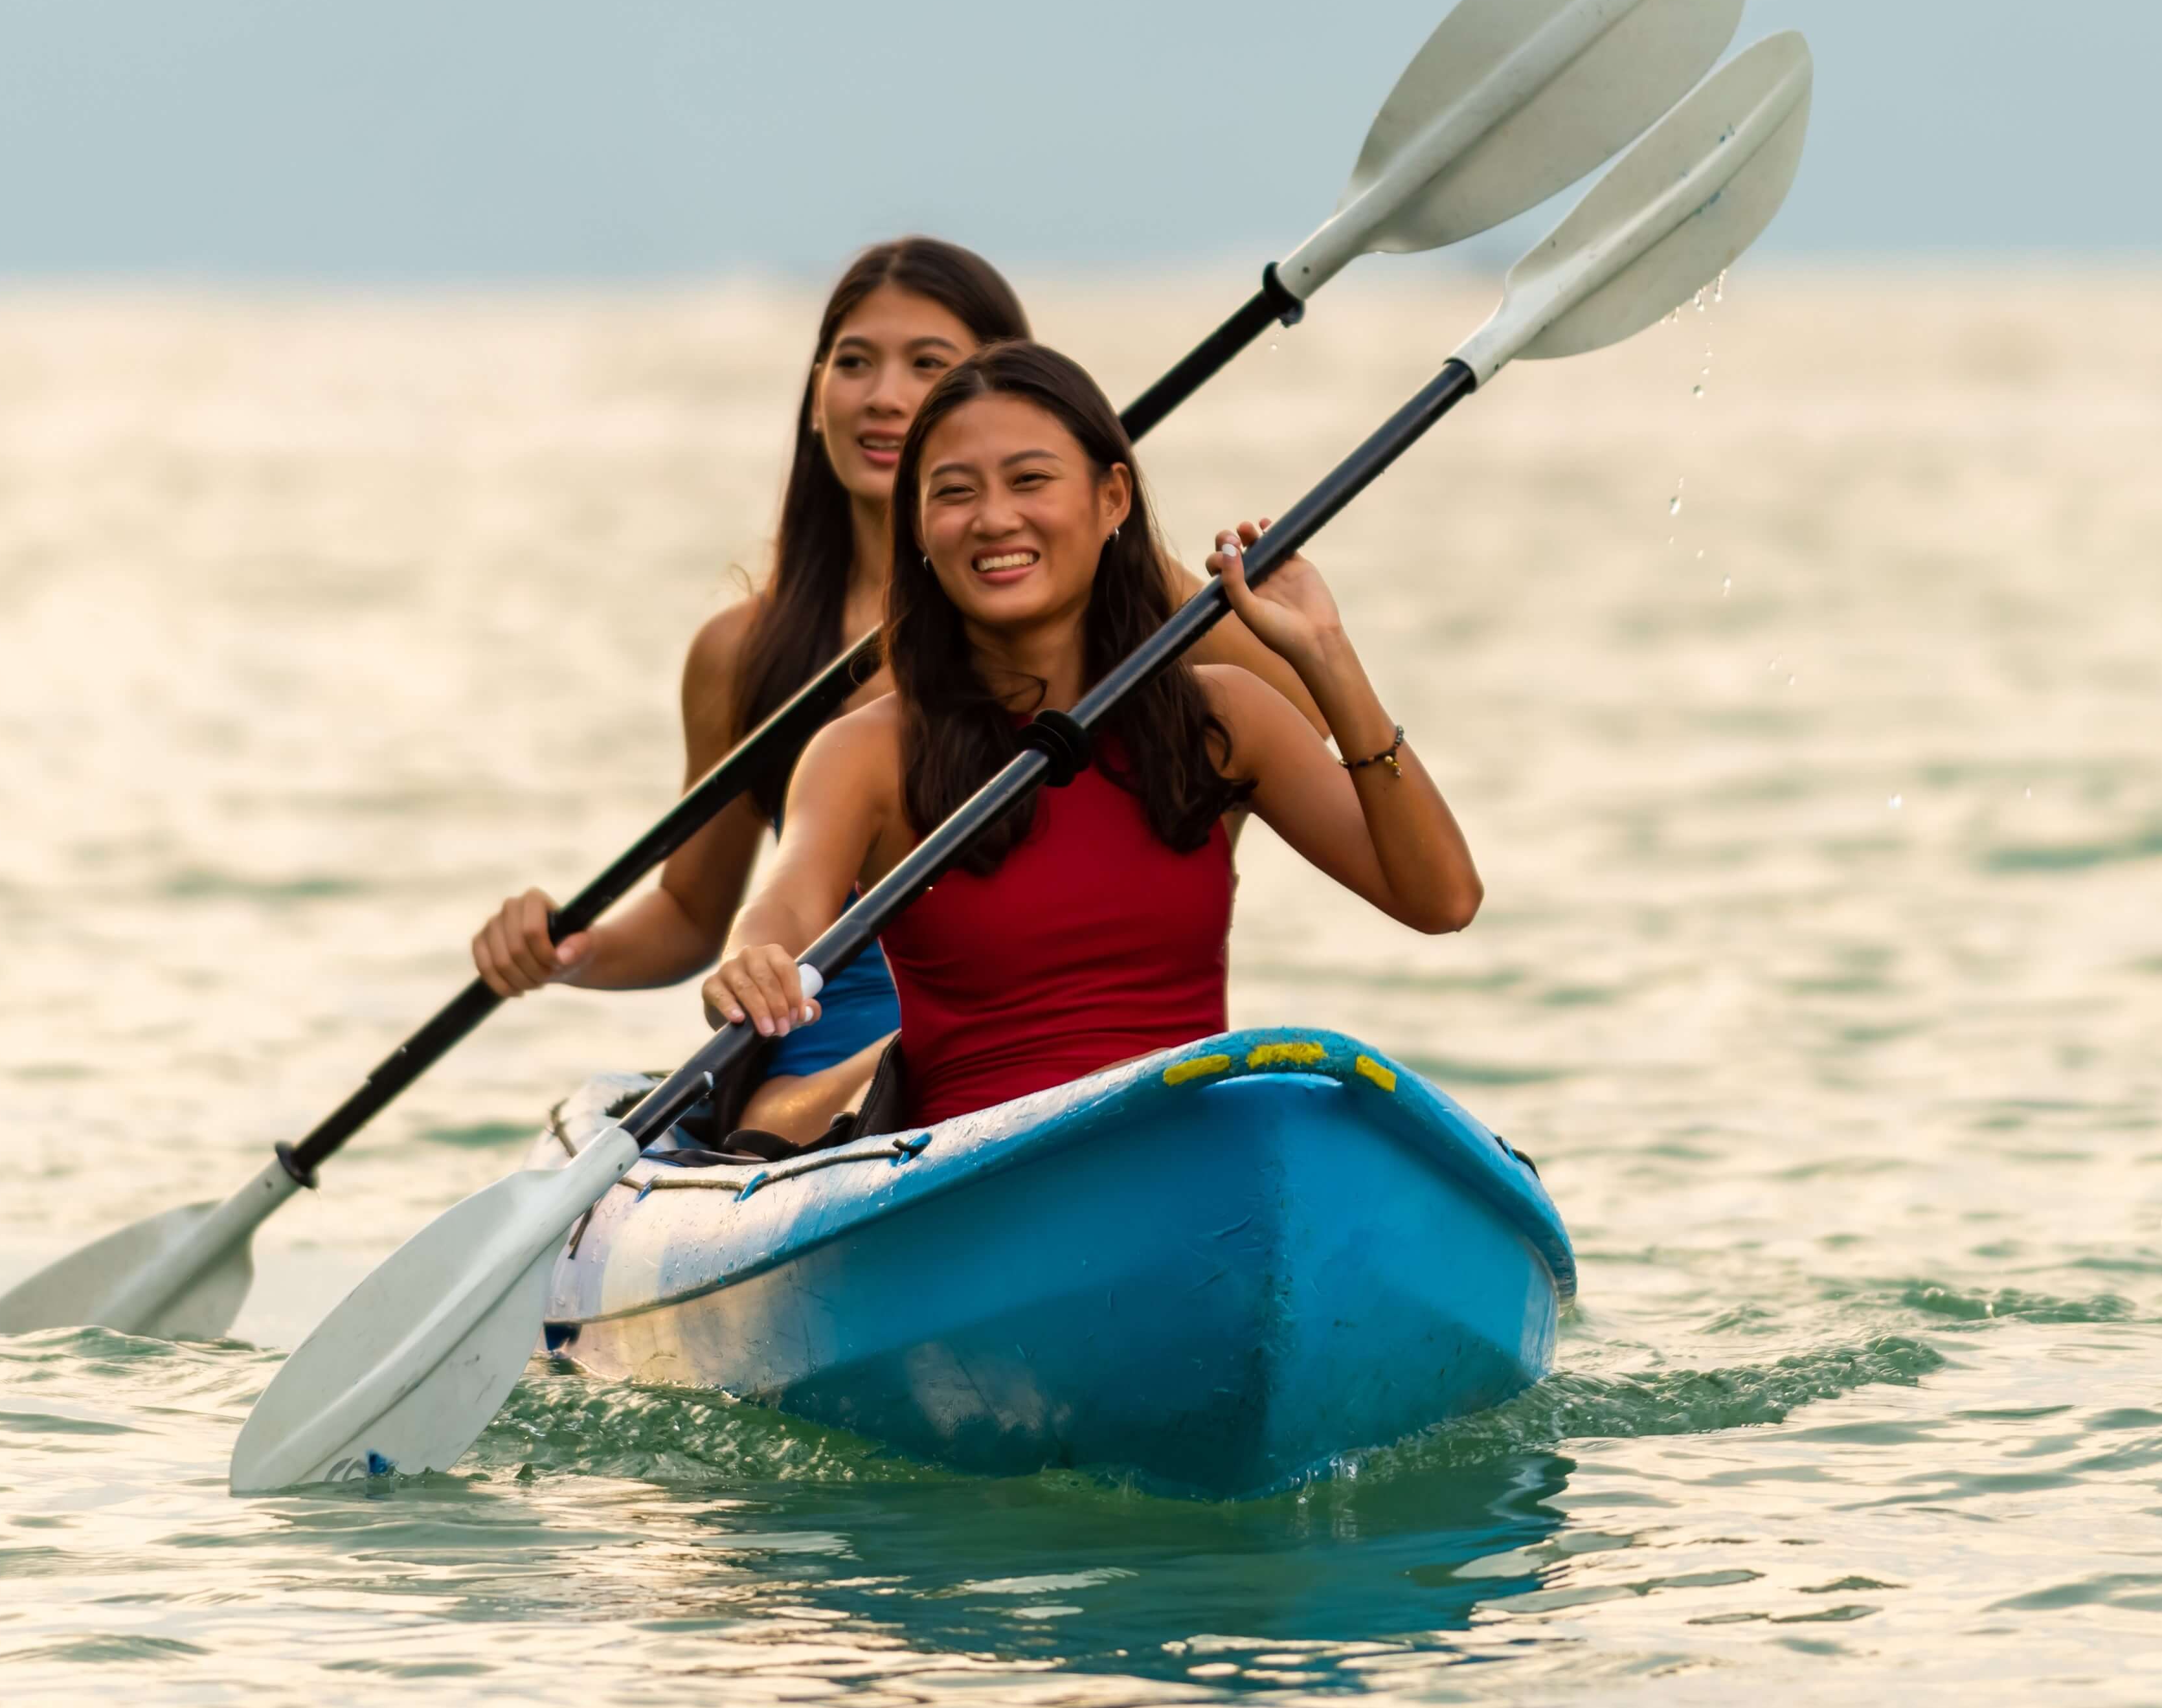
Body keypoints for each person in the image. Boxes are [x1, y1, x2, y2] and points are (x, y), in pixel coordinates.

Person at [469, 241, 1318, 1136]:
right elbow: (694, 913)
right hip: (831, 1080)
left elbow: (1307, 761)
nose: (882, 395)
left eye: (927, 364)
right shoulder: (744, 649)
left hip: (1072, 1053)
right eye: (853, 363)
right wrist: (572, 951)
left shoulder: (1158, 610)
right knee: (911, 1061)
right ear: (814, 396)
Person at [697, 340, 1480, 1145]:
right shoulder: (868, 748)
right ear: (920, 529)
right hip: (961, 1178)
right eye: (954, 493)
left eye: (1030, 480)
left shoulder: (1225, 719)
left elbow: (1441, 900)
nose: (994, 517)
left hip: (1176, 1148)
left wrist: (1324, 654)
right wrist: (754, 951)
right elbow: (788, 898)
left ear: (1112, 498)